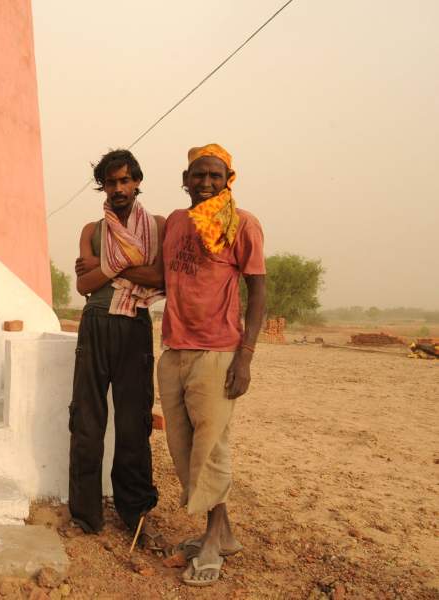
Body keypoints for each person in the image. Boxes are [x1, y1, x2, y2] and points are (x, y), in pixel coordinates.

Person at [157, 144, 266, 586]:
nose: (205, 183)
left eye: (215, 176)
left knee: (212, 449)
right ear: (185, 179)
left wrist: (246, 356)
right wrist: (102, 270)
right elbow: (162, 276)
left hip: (219, 352)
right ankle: (223, 533)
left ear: (228, 180)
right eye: (198, 175)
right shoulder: (176, 223)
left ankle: (210, 542)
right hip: (174, 349)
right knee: (182, 448)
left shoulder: (243, 224)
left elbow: (258, 291)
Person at [68, 149, 165, 543]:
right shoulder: (91, 229)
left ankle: (136, 513)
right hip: (95, 325)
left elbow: (161, 277)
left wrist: (108, 266)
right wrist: (129, 267)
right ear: (103, 187)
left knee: (133, 425)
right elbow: (84, 286)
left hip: (134, 328)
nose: (119, 188)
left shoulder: (157, 226)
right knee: (87, 422)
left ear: (137, 181)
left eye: (126, 180)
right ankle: (85, 515)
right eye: (112, 182)